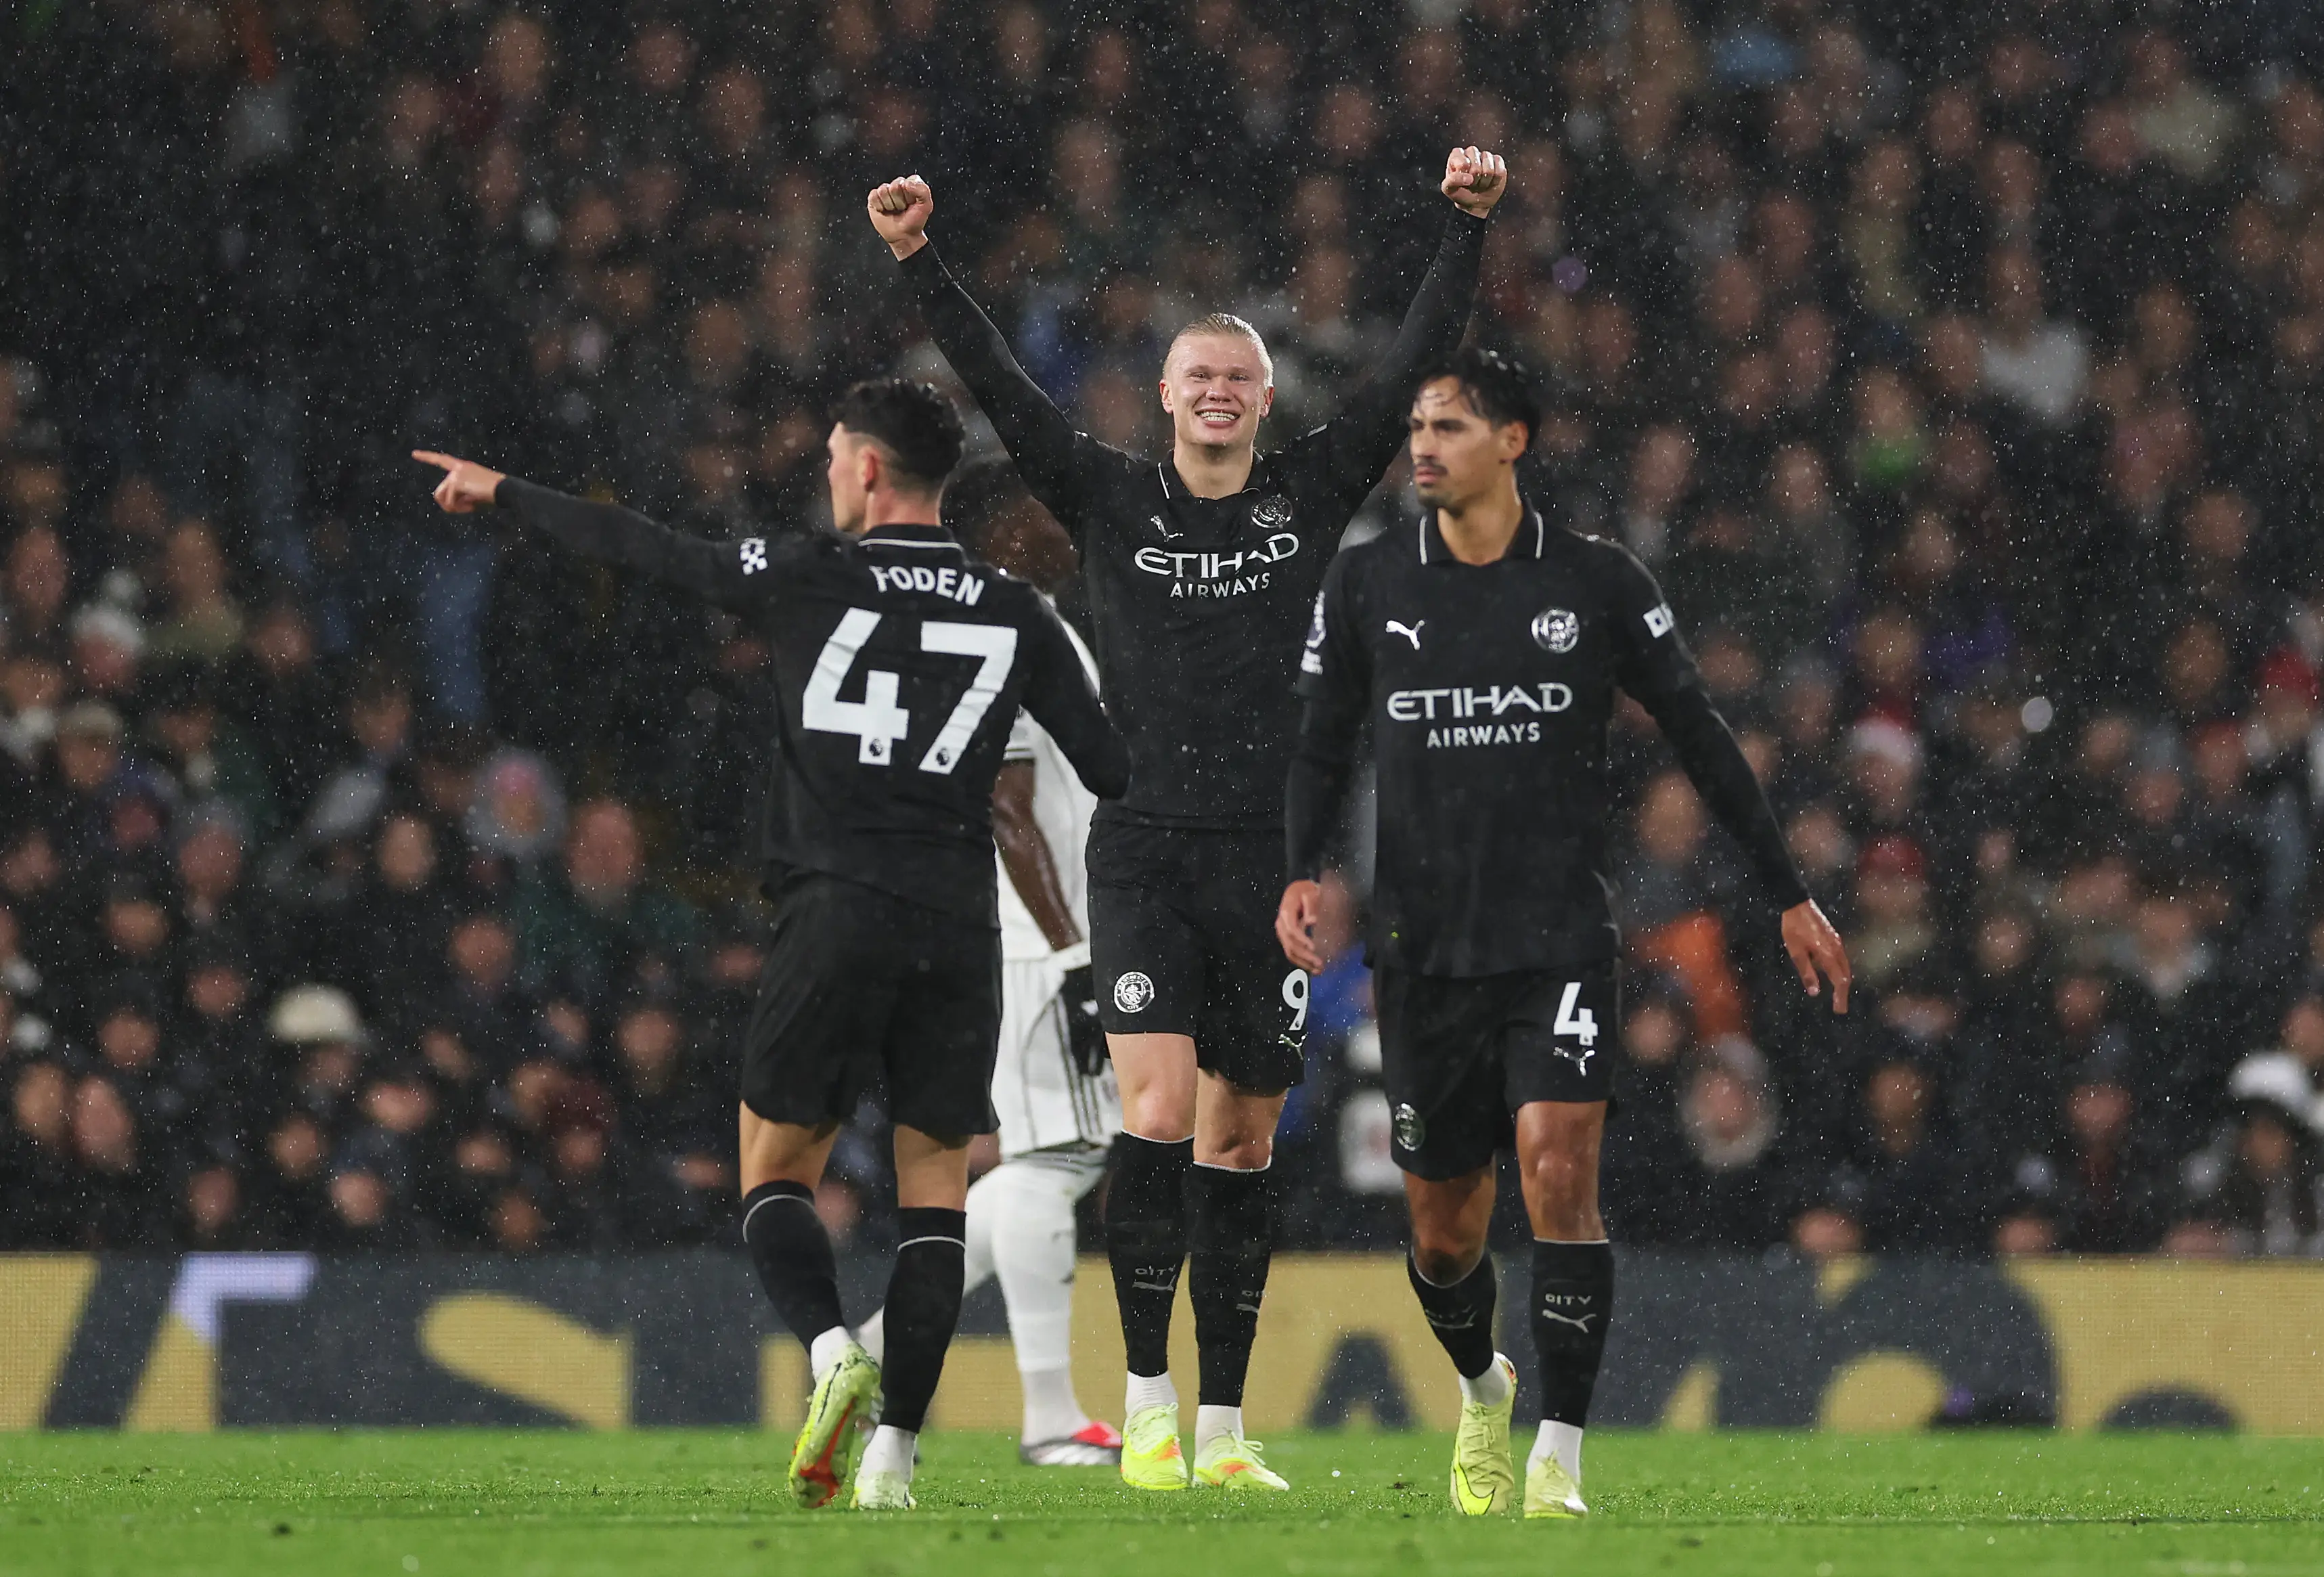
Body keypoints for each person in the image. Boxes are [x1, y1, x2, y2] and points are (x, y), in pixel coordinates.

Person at [867, 144, 1507, 1494]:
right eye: (1196, 375)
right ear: (1164, 396)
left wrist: (1465, 229)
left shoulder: (1305, 491)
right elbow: (998, 385)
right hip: (1143, 850)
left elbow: (1409, 368)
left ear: (1264, 400)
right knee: (1154, 1114)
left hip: (1268, 863)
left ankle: (1221, 1428)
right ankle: (1146, 1406)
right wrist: (920, 257)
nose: (1216, 391)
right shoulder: (1106, 492)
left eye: (1237, 377)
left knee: (1239, 1143)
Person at [414, 377, 1128, 1512]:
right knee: (935, 1198)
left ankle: (833, 1349)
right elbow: (1113, 770)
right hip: (957, 927)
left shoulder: (807, 573)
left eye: (838, 454)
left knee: (775, 1172)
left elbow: (649, 548)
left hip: (835, 908)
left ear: (869, 468)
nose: (830, 470)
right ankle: (893, 1462)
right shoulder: (1016, 612)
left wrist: (505, 491)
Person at [1277, 348, 1850, 1521]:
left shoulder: (1591, 579)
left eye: (1447, 426)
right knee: (1444, 1236)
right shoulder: (1369, 579)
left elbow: (1696, 729)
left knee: (1556, 1170)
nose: (1422, 445)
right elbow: (1320, 742)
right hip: (1423, 948)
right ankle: (1481, 1386)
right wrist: (1300, 869)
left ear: (1513, 441)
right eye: (1416, 427)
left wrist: (1787, 888)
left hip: (1557, 941)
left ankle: (1559, 1455)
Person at [857, 460, 1124, 1467]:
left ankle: (868, 1356)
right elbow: (1007, 807)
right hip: (1037, 943)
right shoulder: (1002, 626)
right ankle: (1049, 1414)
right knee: (1058, 1161)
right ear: (1000, 528)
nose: (1064, 524)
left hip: (1022, 938)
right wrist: (1074, 953)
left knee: (1045, 1161)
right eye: (1047, 508)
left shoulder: (1010, 620)